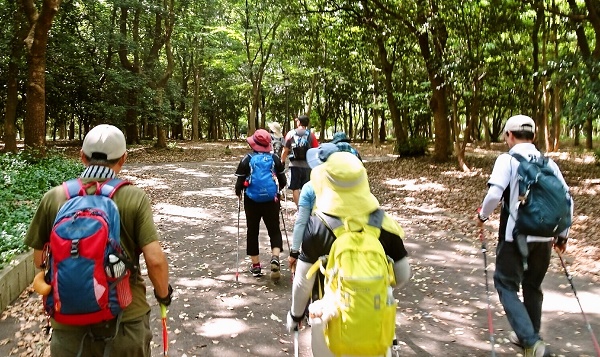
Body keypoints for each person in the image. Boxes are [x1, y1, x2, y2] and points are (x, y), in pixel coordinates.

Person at [24, 124, 172, 357]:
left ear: (82, 156)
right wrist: (163, 295)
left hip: (68, 325)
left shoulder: (54, 197)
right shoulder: (134, 197)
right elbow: (155, 260)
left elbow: (39, 259)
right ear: (123, 158)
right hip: (124, 322)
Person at [286, 152, 411, 356]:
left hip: (329, 325)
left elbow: (303, 282)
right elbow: (402, 275)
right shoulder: (383, 222)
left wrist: (295, 315)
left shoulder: (317, 226)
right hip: (375, 324)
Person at [476, 114, 573, 357]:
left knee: (505, 284)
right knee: (533, 286)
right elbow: (567, 201)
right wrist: (562, 236)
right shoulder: (549, 163)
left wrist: (482, 216)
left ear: (508, 135)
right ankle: (528, 338)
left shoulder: (507, 160)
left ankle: (531, 341)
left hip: (514, 236)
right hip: (543, 239)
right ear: (534, 136)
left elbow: (493, 195)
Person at [235, 129, 287, 280]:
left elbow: (239, 184)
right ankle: (275, 257)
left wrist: (239, 192)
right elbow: (283, 182)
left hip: (251, 201)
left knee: (252, 230)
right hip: (271, 200)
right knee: (274, 229)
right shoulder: (275, 159)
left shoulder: (247, 159)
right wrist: (275, 192)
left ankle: (256, 266)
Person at [287, 143, 339, 272]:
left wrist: (294, 252)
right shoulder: (348, 185)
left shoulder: (309, 187)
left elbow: (301, 221)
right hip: (343, 240)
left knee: (300, 289)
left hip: (317, 238)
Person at [280, 115, 319, 206]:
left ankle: (299, 208)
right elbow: (316, 150)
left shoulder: (291, 134)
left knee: (295, 188)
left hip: (294, 165)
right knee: (307, 187)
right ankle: (307, 207)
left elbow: (285, 150)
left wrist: (282, 161)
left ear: (299, 122)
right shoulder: (311, 135)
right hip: (307, 165)